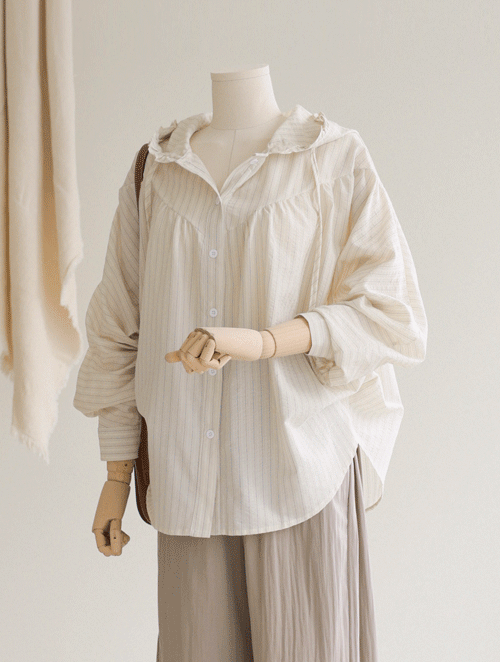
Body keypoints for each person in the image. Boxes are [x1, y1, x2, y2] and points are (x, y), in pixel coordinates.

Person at [74, 63, 427, 662]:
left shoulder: (331, 159)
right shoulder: (156, 170)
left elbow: (392, 313)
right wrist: (116, 477)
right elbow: (118, 325)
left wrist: (265, 341)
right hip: (188, 484)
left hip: (297, 474)